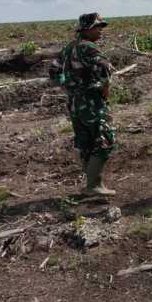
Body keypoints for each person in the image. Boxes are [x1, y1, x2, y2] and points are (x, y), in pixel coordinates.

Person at [50, 13, 117, 196]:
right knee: (105, 140)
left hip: (74, 103)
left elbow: (53, 70)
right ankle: (94, 186)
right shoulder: (89, 48)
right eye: (98, 27)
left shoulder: (69, 47)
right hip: (91, 101)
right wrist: (105, 89)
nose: (101, 30)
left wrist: (66, 86)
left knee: (86, 142)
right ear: (87, 29)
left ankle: (92, 186)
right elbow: (105, 69)